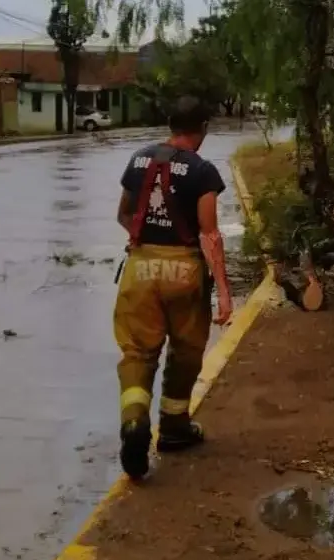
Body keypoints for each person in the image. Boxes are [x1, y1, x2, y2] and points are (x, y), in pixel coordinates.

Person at [113, 95, 233, 480]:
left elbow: (123, 214)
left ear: (169, 124)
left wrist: (146, 240)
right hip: (184, 270)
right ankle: (174, 428)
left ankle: (134, 423)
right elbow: (210, 234)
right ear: (201, 130)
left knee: (137, 353)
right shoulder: (203, 172)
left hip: (140, 269)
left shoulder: (138, 160)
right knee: (185, 352)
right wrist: (225, 294)